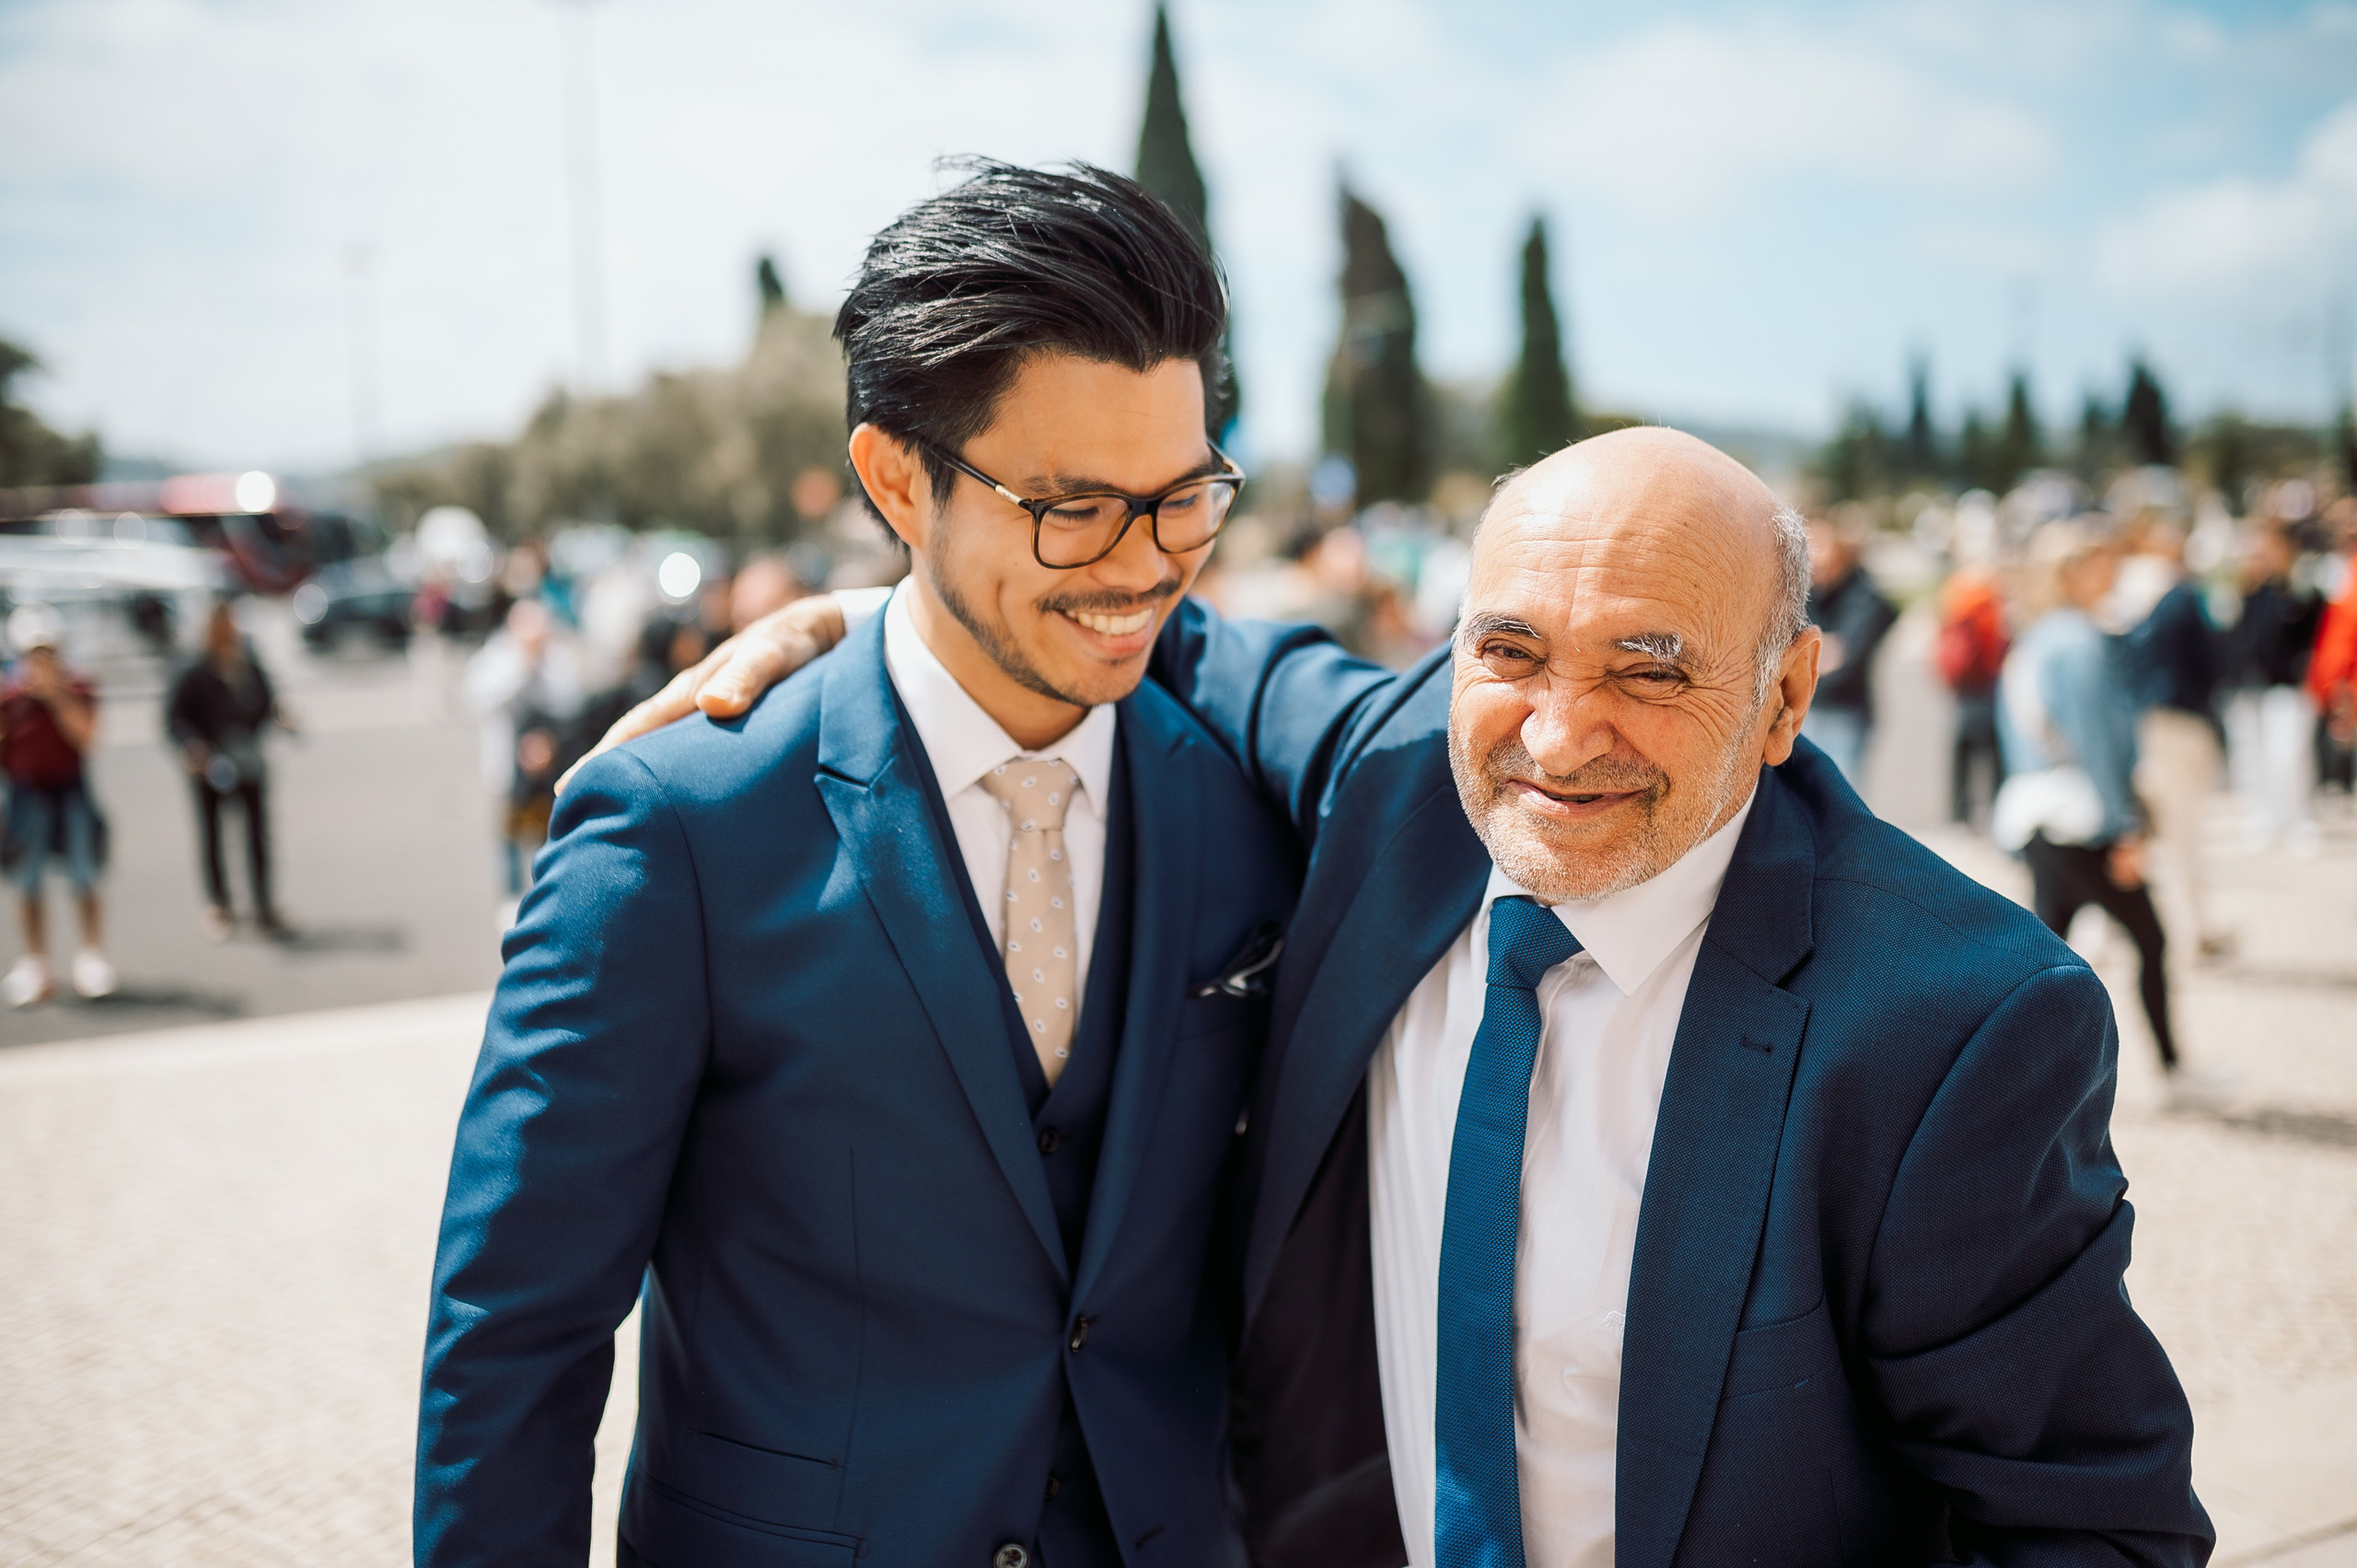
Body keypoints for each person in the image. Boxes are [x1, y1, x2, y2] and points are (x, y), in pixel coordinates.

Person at [613, 428, 2210, 1565]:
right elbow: (1178, 642)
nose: (1559, 734)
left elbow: (2096, 1522)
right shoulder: (1392, 777)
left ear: (1788, 692)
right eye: (1509, 649)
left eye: (1652, 669)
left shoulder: (1952, 1026)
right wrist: (871, 631)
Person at [417, 162, 1293, 1568]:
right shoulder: (673, 829)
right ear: (897, 478)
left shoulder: (1253, 808)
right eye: (1072, 506)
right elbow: (517, 1337)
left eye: (1183, 496)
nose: (1143, 564)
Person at [1995, 524, 2186, 1085]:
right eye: (2104, 563)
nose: (2114, 574)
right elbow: (2097, 741)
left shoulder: (2036, 637)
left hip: (2040, 814)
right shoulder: (2077, 642)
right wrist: (2126, 824)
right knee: (2149, 938)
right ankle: (2172, 1069)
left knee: (2043, 961)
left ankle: (2019, 1082)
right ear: (2073, 572)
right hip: (2080, 817)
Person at [2121, 519, 2231, 958]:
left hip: (2148, 723)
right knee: (2179, 831)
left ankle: (2106, 933)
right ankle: (2194, 930)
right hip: (2180, 724)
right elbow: (2213, 663)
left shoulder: (2129, 598)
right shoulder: (2180, 598)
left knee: (2141, 828)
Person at [0, 606, 116, 1005]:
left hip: (71, 789)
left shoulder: (79, 688)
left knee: (85, 874)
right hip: (25, 792)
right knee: (27, 880)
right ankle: (36, 962)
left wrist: (57, 697)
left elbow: (86, 737)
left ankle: (91, 954)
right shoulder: (9, 697)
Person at [166, 601, 289, 940]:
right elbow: (174, 719)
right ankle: (219, 905)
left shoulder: (246, 662)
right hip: (210, 762)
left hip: (247, 758)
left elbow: (267, 703)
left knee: (257, 835)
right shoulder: (193, 668)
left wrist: (281, 717)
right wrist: (192, 746)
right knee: (212, 836)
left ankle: (263, 903)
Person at [2223, 525, 2323, 852]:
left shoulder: (2299, 589)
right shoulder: (2250, 592)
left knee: (2288, 756)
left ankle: (2299, 820)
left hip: (2289, 686)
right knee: (2256, 757)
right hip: (2253, 687)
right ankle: (2266, 818)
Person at [1795, 513, 1894, 791]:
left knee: (1840, 804)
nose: (1815, 557)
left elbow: (1845, 659)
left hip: (1844, 714)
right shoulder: (1803, 594)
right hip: (1802, 714)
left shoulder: (1864, 597)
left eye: (1821, 547)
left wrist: (1803, 655)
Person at [1932, 563, 2007, 827]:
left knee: (1961, 753)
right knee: (1993, 756)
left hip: (1963, 691)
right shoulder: (1986, 606)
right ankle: (1995, 810)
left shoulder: (1955, 603)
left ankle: (1958, 812)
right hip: (1984, 690)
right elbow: (1994, 651)